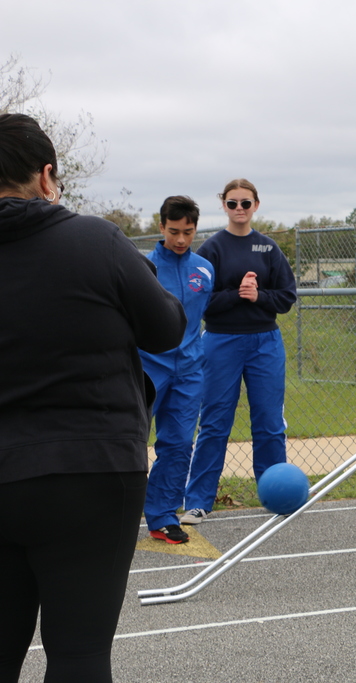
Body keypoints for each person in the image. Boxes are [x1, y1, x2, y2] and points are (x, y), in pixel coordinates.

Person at [0, 113, 186, 681]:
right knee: (78, 653)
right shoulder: (93, 240)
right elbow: (166, 329)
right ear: (46, 177)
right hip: (92, 466)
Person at [181, 179, 297, 525]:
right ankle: (198, 501)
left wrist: (259, 296)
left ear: (256, 205)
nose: (239, 209)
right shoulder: (211, 249)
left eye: (246, 203)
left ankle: (276, 496)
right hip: (221, 342)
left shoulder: (268, 248)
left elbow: (286, 297)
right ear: (224, 205)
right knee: (214, 424)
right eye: (232, 203)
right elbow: (200, 301)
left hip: (265, 343)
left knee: (270, 424)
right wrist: (236, 294)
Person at [141, 196, 214, 544]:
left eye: (188, 232)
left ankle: (162, 517)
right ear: (161, 227)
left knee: (180, 443)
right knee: (128, 441)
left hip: (189, 370)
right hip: (147, 367)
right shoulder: (143, 267)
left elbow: (203, 316)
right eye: (173, 232)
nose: (181, 239)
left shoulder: (205, 269)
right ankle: (112, 514)